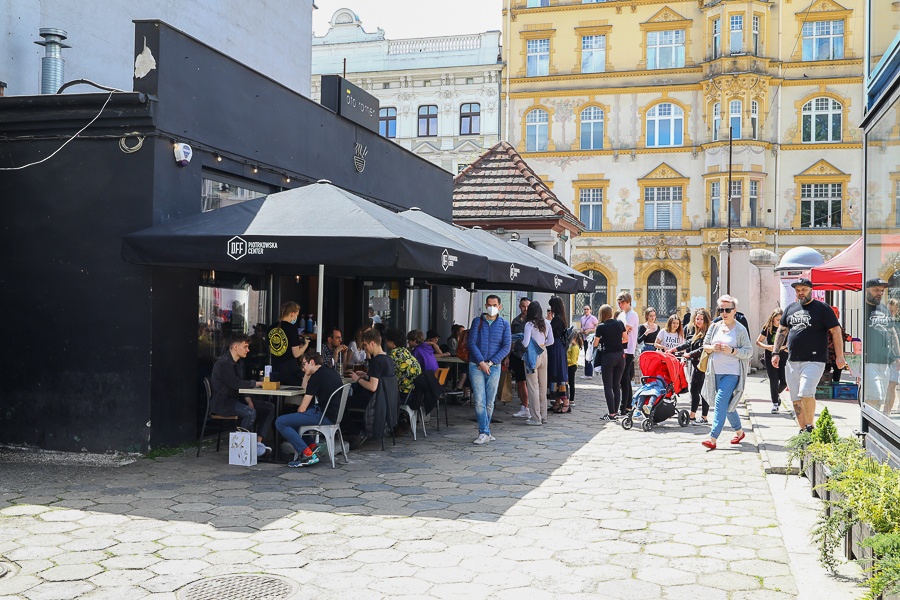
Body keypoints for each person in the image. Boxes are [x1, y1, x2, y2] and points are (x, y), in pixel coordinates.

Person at [772, 278, 846, 433]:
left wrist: (840, 356)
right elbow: (782, 330)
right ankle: (803, 430)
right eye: (798, 290)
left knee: (806, 391)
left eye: (804, 290)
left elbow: (835, 331)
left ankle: (810, 426)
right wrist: (775, 352)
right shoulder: (790, 308)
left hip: (814, 359)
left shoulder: (822, 308)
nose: (801, 293)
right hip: (792, 360)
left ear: (811, 290)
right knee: (795, 398)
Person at [701, 295, 752, 450]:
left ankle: (713, 438)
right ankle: (740, 432)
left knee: (720, 402)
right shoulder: (714, 326)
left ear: (734, 311)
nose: (724, 313)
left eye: (727, 310)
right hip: (715, 372)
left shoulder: (740, 329)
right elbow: (705, 345)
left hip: (732, 373)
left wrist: (732, 350)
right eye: (721, 310)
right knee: (728, 405)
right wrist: (712, 348)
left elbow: (748, 351)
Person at [275, 352, 344, 468]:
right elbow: (304, 386)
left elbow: (302, 408)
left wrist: (297, 415)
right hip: (333, 415)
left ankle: (306, 454)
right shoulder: (331, 371)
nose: (302, 368)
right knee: (294, 420)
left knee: (281, 422)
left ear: (312, 362)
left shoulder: (316, 377)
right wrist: (307, 373)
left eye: (303, 364)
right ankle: (311, 446)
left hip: (324, 416)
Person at [210, 334, 272, 457]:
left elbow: (240, 385)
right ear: (235, 347)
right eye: (245, 347)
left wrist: (249, 400)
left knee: (269, 407)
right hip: (223, 403)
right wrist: (257, 383)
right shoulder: (224, 364)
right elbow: (236, 384)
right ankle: (243, 449)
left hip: (235, 399)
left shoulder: (238, 363)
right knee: (250, 413)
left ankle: (257, 444)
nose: (248, 350)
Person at [466, 294, 512, 444]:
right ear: (485, 306)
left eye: (494, 305)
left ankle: (485, 431)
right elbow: (471, 343)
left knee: (490, 402)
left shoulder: (504, 324)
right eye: (489, 305)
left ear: (500, 306)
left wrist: (491, 363)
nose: (492, 308)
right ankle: (484, 432)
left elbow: (506, 346)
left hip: (495, 366)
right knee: (479, 400)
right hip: (476, 365)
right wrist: (481, 362)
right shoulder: (477, 322)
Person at [347, 329, 396, 449]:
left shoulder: (377, 362)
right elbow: (380, 380)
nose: (364, 348)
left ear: (372, 343)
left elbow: (372, 387)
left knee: (340, 403)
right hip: (386, 402)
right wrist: (366, 376)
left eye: (365, 345)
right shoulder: (388, 359)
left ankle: (356, 433)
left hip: (373, 402)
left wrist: (357, 379)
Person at [863, 278, 899, 411]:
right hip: (869, 361)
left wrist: (897, 356)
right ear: (867, 290)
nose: (879, 293)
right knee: (875, 396)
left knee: (881, 398)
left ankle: (872, 427)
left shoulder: (883, 308)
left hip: (885, 361)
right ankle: (870, 425)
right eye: (876, 290)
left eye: (882, 291)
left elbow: (892, 331)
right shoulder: (864, 308)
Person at [671, 308, 712, 425]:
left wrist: (690, 354)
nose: (698, 321)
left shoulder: (707, 333)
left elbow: (703, 348)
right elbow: (689, 343)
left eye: (701, 319)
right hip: (696, 365)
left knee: (703, 391)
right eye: (697, 319)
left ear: (706, 321)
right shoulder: (696, 332)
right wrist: (676, 349)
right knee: (694, 390)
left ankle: (704, 417)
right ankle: (693, 415)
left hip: (704, 365)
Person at [522, 301, 553, 426]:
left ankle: (536, 417)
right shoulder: (547, 323)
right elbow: (551, 341)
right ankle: (543, 416)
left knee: (532, 386)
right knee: (542, 386)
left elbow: (525, 343)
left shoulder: (529, 324)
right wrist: (542, 345)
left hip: (532, 354)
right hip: (544, 352)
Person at [594, 304, 626, 421]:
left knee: (608, 386)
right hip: (620, 356)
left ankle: (611, 414)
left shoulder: (601, 326)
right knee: (616, 385)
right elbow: (626, 339)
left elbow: (595, 344)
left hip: (608, 357)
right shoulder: (619, 324)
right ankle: (616, 412)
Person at [267, 301, 310, 385]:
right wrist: (306, 345)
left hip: (275, 369)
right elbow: (296, 354)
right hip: (290, 370)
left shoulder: (270, 328)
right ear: (292, 314)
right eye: (297, 315)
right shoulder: (292, 328)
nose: (296, 318)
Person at [757, 308, 788, 414]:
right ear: (773, 319)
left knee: (784, 381)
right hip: (770, 356)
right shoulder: (767, 328)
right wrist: (767, 346)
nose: (779, 322)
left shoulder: (786, 328)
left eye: (781, 319)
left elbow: (789, 343)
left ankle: (776, 393)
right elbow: (758, 341)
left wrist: (783, 347)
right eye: (777, 320)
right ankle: (775, 404)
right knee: (773, 381)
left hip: (783, 356)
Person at [616, 292, 640, 414]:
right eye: (619, 303)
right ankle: (628, 404)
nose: (620, 305)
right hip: (621, 349)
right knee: (623, 379)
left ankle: (625, 406)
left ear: (628, 302)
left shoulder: (632, 315)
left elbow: (624, 330)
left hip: (628, 349)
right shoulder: (621, 315)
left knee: (624, 378)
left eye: (623, 303)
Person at [508, 297, 531, 418]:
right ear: (519, 306)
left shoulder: (533, 321)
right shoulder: (515, 321)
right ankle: (524, 407)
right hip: (518, 354)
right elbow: (510, 340)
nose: (525, 309)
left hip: (530, 355)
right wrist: (507, 356)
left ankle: (533, 407)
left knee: (532, 383)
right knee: (521, 382)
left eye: (527, 306)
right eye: (523, 306)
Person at [383, 328, 422, 399]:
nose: (385, 342)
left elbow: (383, 374)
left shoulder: (393, 355)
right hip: (414, 393)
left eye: (387, 340)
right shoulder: (405, 352)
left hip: (403, 395)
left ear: (392, 343)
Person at [547, 296, 570, 413]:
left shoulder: (556, 319)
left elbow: (548, 331)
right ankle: (557, 401)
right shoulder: (562, 318)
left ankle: (565, 401)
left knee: (557, 371)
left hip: (555, 347)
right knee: (558, 371)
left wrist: (547, 321)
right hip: (559, 347)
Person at [825, 306, 853, 383]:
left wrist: (850, 338)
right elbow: (842, 335)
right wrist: (850, 338)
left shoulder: (829, 323)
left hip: (830, 352)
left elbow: (842, 335)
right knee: (835, 368)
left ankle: (828, 383)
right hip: (832, 352)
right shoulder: (833, 324)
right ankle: (833, 383)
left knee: (832, 368)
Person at [580, 305, 598, 379]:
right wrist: (581, 330)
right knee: (586, 354)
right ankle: (586, 373)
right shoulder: (582, 318)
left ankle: (589, 373)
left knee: (589, 354)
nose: (586, 310)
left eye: (587, 309)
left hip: (590, 338)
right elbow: (581, 326)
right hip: (584, 337)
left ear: (590, 310)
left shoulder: (593, 318)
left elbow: (597, 327)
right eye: (585, 309)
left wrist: (590, 330)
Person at [567, 332, 581, 407]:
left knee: (571, 383)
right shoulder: (571, 346)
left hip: (571, 366)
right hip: (569, 366)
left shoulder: (575, 347)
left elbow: (573, 360)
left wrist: (565, 360)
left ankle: (572, 399)